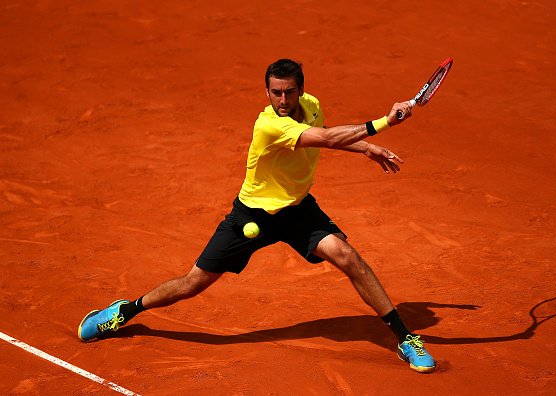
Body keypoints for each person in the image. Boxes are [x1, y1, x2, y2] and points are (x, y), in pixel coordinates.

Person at [78, 58, 436, 373]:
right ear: (266, 91)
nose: (283, 101)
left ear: (301, 90)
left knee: (348, 256)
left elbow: (327, 135)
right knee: (192, 283)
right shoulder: (269, 125)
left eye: (289, 92)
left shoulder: (310, 106)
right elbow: (327, 138)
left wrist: (366, 147)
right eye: (276, 93)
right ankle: (127, 310)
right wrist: (383, 125)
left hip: (298, 210)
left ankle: (406, 338)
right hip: (251, 215)